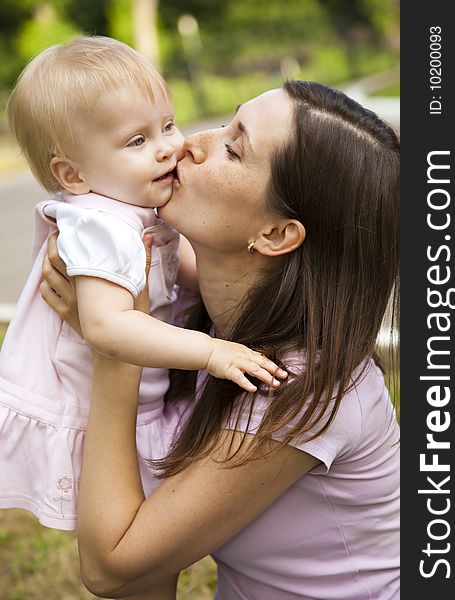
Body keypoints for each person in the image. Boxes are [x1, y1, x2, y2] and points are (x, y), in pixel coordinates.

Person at [42, 80, 400, 599]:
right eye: (225, 122)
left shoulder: (293, 387)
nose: (190, 142)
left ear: (276, 235)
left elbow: (112, 568)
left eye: (233, 148)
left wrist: (117, 349)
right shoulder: (201, 324)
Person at [0, 36, 285, 532]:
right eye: (137, 141)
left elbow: (179, 274)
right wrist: (212, 352)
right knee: (133, 542)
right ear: (72, 174)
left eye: (168, 125)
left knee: (148, 544)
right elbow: (108, 327)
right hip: (98, 413)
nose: (169, 147)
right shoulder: (99, 226)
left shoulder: (135, 206)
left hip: (138, 400)